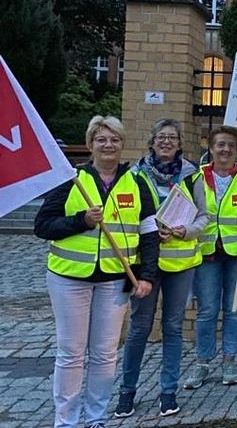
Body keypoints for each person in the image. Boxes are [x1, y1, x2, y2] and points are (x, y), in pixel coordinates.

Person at [35, 115, 159, 428]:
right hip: (69, 278)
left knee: (105, 354)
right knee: (71, 353)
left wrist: (147, 276)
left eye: (114, 139)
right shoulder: (72, 180)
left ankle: (96, 418)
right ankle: (65, 420)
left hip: (114, 280)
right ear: (91, 144)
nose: (108, 145)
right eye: (101, 139)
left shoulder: (137, 182)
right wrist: (81, 221)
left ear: (122, 144)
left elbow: (149, 233)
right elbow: (43, 226)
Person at [116, 119, 208, 418]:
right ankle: (127, 392)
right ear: (152, 141)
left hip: (180, 262)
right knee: (139, 328)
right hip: (145, 264)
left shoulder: (193, 175)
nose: (166, 142)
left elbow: (205, 218)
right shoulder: (134, 174)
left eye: (172, 138)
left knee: (172, 327)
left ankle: (168, 391)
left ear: (180, 144)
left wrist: (183, 231)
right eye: (161, 137)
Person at [183, 126, 237, 389]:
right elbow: (187, 212)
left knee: (234, 310)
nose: (225, 149)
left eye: (231, 145)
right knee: (207, 311)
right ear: (211, 148)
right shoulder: (196, 178)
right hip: (207, 253)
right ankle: (203, 363)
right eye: (220, 144)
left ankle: (229, 361)